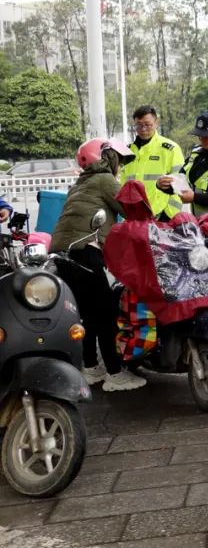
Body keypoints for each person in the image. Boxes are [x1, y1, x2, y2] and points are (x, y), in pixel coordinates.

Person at [52, 138, 146, 392]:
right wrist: (152, 220)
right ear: (110, 158)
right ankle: (115, 373)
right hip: (86, 251)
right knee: (105, 312)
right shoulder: (105, 180)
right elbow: (131, 210)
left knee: (87, 314)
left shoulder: (80, 183)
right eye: (121, 161)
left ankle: (91, 367)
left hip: (63, 253)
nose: (121, 167)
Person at [120, 105, 185, 219]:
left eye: (147, 124)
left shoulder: (170, 149)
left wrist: (168, 215)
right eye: (139, 125)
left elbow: (180, 186)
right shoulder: (128, 152)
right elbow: (123, 184)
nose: (143, 128)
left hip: (161, 216)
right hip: (134, 216)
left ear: (156, 123)